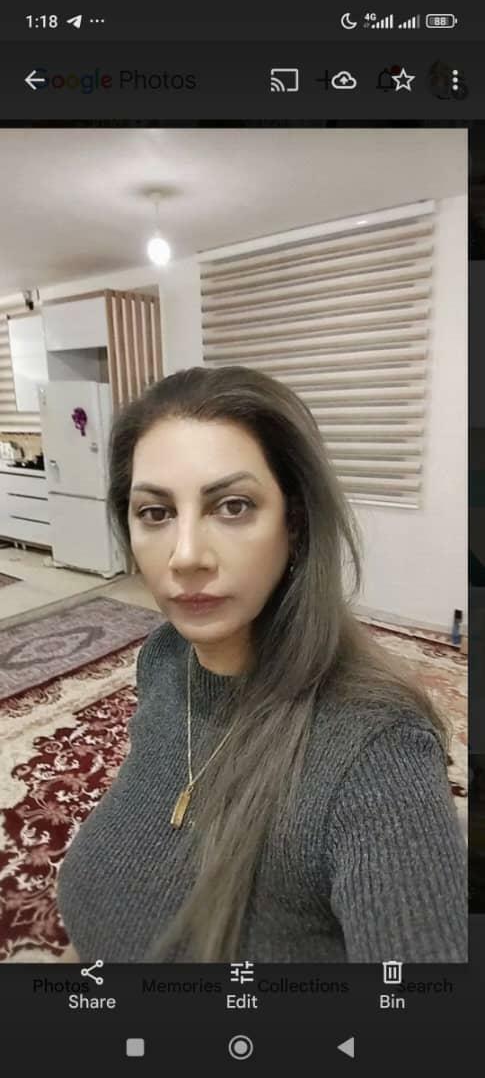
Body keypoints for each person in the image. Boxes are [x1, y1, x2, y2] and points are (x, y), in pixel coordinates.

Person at [56, 365, 467, 963]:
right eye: (155, 513)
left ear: (293, 524)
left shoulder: (378, 755)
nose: (186, 556)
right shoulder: (165, 657)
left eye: (233, 506)